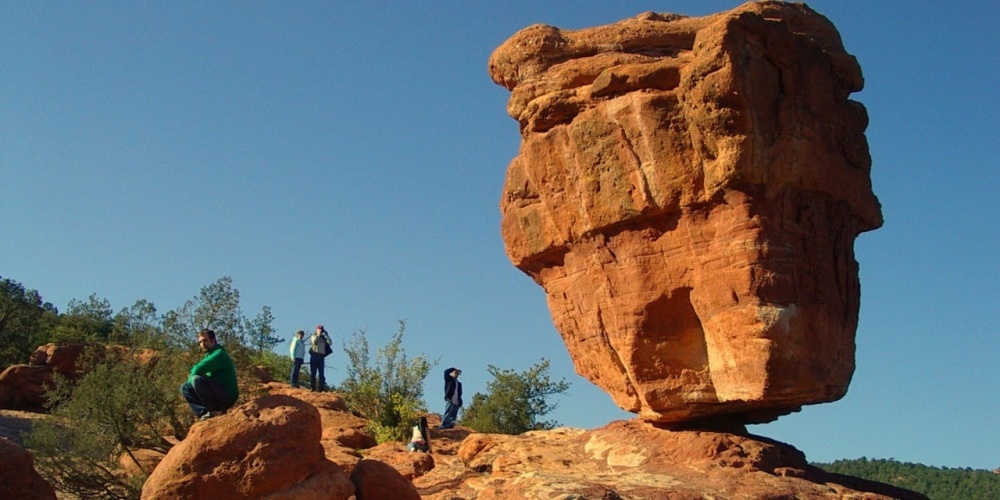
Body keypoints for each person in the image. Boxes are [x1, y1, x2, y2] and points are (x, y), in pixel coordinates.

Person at [180, 329, 239, 421]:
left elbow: (196, 369)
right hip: (218, 391)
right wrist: (191, 380)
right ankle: (204, 414)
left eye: (205, 340)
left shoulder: (219, 354)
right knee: (185, 387)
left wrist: (192, 377)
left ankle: (215, 410)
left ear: (213, 340)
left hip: (228, 394)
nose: (202, 344)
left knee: (196, 380)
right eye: (200, 342)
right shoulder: (209, 355)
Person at [309, 324, 332, 392]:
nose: (320, 330)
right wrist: (318, 335)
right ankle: (312, 388)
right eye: (319, 329)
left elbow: (330, 343)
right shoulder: (313, 336)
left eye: (321, 330)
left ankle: (321, 389)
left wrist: (327, 335)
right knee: (313, 373)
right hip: (314, 355)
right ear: (316, 329)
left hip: (321, 357)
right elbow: (314, 342)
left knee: (321, 374)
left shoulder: (324, 338)